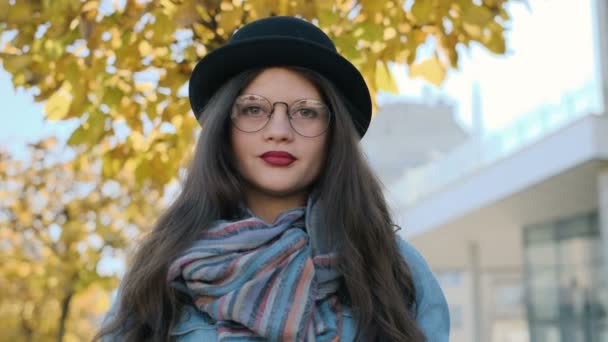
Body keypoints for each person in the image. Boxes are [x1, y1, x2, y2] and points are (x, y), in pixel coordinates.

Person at [95, 16, 450, 342]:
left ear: (333, 134)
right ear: (224, 129)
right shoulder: (161, 264)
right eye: (253, 109)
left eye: (306, 112)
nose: (279, 131)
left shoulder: (391, 266)